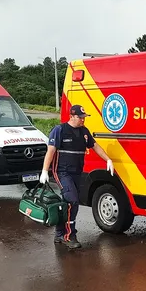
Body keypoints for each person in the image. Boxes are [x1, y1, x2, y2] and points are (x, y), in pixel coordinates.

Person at [39, 104, 114, 249]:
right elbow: (51, 151)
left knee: (68, 203)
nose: (83, 120)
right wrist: (44, 171)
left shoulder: (84, 132)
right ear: (72, 116)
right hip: (62, 172)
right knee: (72, 201)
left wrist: (108, 159)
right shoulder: (59, 130)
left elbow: (95, 146)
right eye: (80, 117)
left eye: (84, 117)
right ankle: (69, 236)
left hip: (77, 172)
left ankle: (59, 233)